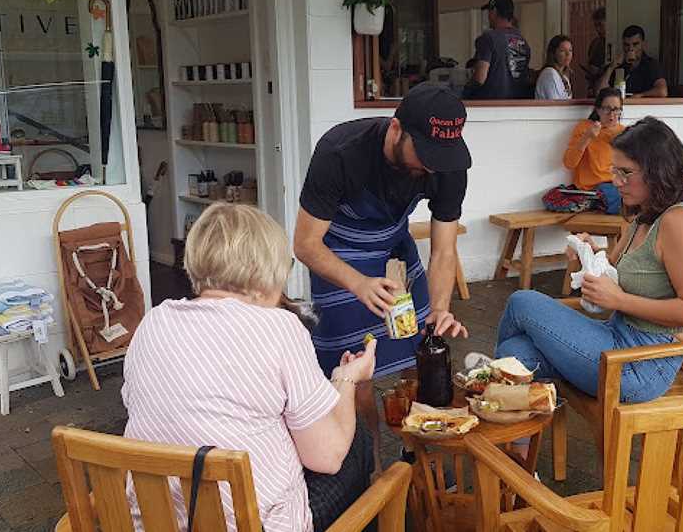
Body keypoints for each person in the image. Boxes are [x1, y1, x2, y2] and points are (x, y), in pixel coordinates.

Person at [122, 203, 376, 532]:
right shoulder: (281, 328)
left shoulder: (153, 321)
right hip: (250, 523)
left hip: (159, 520)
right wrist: (346, 380)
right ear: (264, 272)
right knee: (355, 444)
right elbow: (326, 458)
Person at [294, 84, 471, 463]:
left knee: (423, 353)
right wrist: (357, 283)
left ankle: (422, 459)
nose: (429, 167)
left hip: (391, 250)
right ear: (395, 130)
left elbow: (443, 251)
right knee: (354, 374)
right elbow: (306, 245)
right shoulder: (340, 152)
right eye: (422, 155)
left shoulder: (448, 164)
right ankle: (366, 467)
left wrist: (439, 309)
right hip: (337, 253)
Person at [490, 117, 683, 404]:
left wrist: (619, 301)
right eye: (614, 170)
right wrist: (588, 255)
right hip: (615, 340)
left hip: (643, 365)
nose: (615, 181)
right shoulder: (643, 216)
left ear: (657, 171)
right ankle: (515, 448)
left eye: (625, 172)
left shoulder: (679, 221)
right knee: (516, 351)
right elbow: (609, 277)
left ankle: (485, 390)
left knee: (521, 302)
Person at [562, 87, 625, 214]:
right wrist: (587, 137)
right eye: (607, 109)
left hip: (617, 183)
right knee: (620, 196)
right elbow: (569, 163)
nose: (612, 115)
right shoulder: (585, 127)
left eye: (616, 109)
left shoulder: (624, 132)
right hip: (592, 189)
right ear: (598, 109)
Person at [466, 0, 532, 99]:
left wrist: (464, 91)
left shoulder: (488, 38)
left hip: (492, 107)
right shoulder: (522, 41)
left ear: (494, 11)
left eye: (489, 12)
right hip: (518, 106)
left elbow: (479, 78)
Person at [595, 25, 667, 98]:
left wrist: (640, 95)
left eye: (635, 44)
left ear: (643, 44)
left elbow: (662, 91)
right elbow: (599, 92)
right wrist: (611, 67)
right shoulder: (618, 65)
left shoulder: (651, 65)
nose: (630, 48)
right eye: (626, 45)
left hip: (641, 107)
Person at [535, 35, 574, 100]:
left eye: (570, 50)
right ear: (553, 53)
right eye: (562, 51)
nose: (568, 54)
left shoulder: (564, 78)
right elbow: (555, 104)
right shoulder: (549, 73)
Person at [581, 7, 607, 97]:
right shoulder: (595, 43)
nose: (598, 29)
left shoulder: (613, 44)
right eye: (595, 26)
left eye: (600, 25)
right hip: (593, 85)